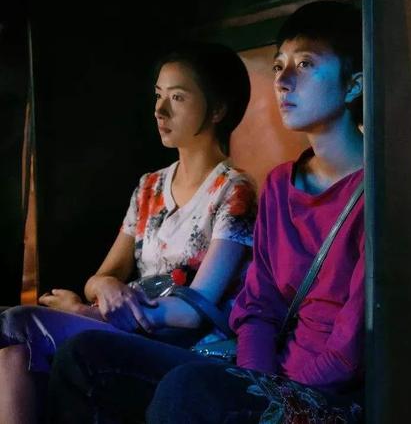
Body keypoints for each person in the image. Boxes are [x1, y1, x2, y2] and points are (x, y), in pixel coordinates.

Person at [47, 1, 365, 423]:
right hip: (267, 376)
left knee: (188, 387)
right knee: (84, 355)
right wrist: (254, 382)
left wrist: (276, 394)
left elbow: (351, 346)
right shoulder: (279, 184)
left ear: (353, 85)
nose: (283, 80)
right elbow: (259, 305)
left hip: (328, 393)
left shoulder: (380, 192)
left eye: (305, 64)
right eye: (278, 66)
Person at [0, 42, 255, 424]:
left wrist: (88, 312)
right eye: (158, 96)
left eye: (178, 97)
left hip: (191, 346)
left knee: (18, 323)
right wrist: (104, 288)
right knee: (13, 344)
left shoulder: (234, 191)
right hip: (132, 327)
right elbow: (101, 277)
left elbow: (194, 310)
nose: (160, 110)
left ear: (218, 109)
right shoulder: (149, 186)